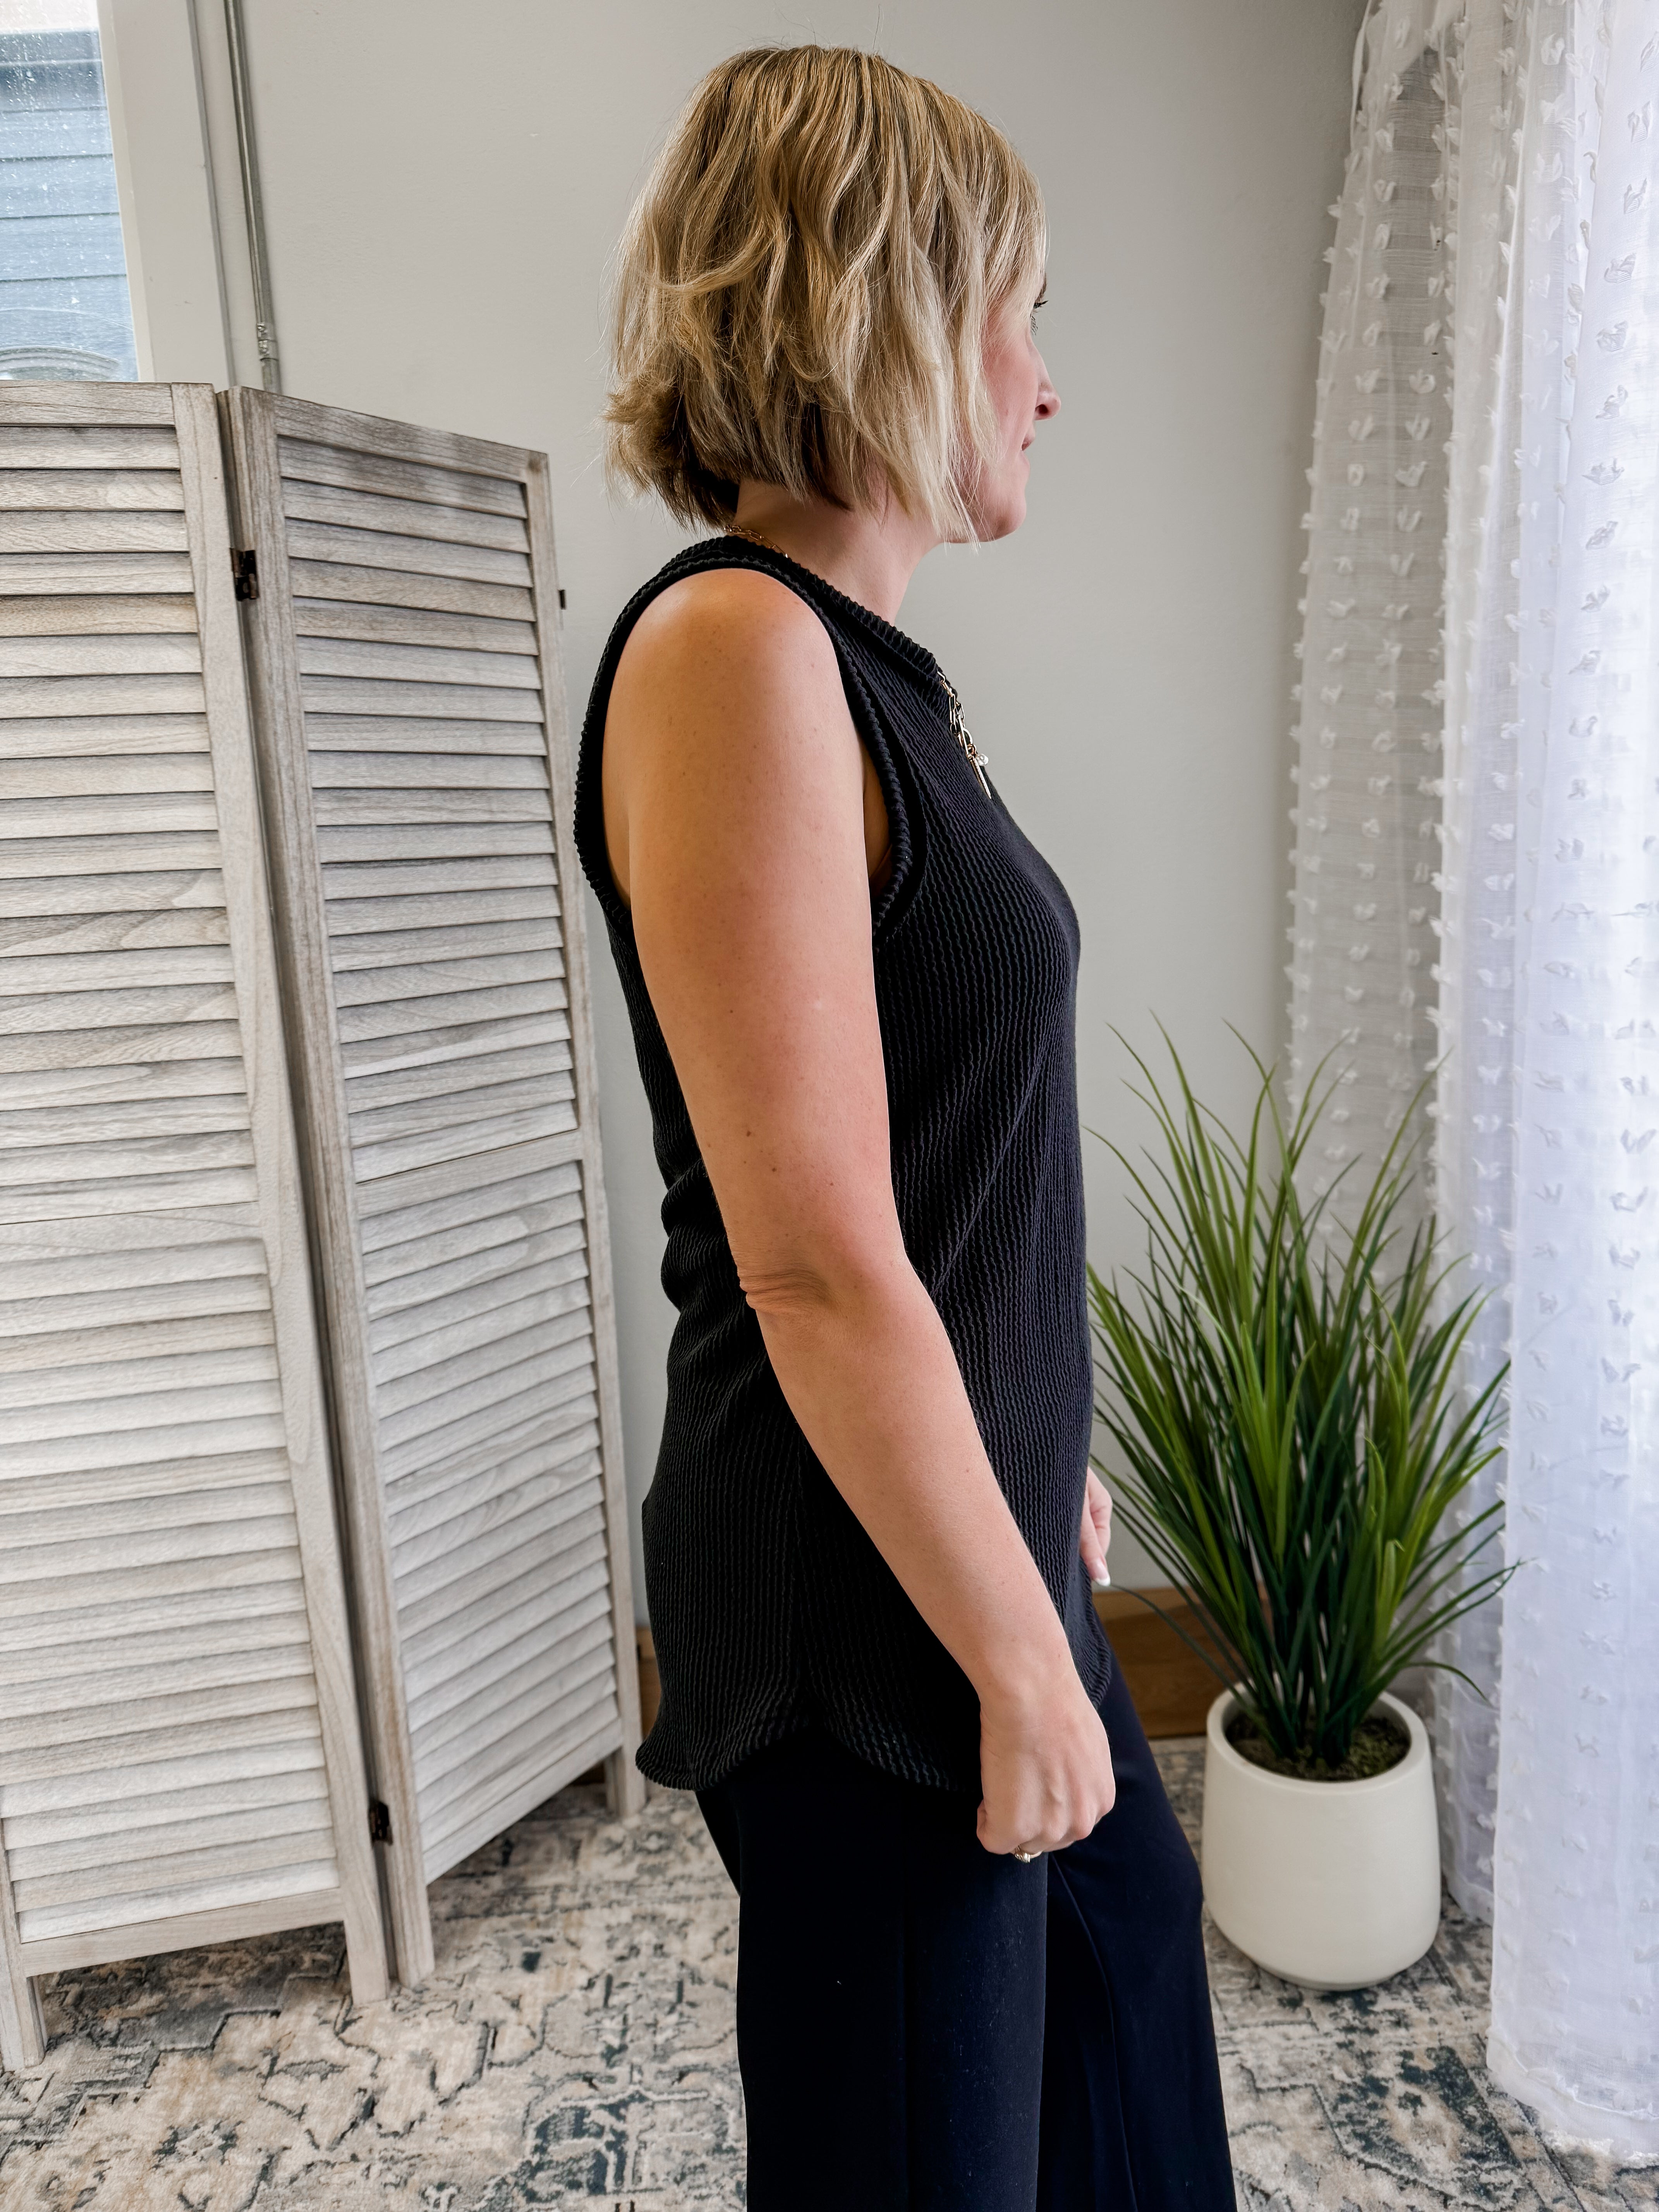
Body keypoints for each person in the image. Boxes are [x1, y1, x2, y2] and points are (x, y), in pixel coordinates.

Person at [572, 44, 1233, 2211]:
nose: (1045, 380)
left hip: (967, 1545)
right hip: (861, 1625)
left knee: (1126, 2062)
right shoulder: (733, 650)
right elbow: (813, 1255)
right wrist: (1020, 1660)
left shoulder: (874, 677)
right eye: (1017, 314)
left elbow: (952, 1160)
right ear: (886, 311)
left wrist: (1042, 1446)